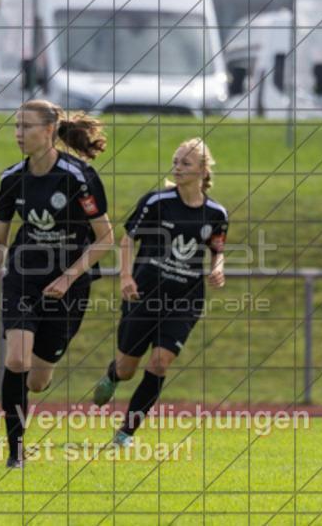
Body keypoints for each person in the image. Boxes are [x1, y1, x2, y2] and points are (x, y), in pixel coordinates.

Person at [0, 99, 114, 469]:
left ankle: (22, 427)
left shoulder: (78, 177)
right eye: (16, 126)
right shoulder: (11, 179)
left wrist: (68, 277)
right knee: (17, 359)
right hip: (22, 278)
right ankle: (15, 452)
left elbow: (106, 238)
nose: (19, 134)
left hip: (69, 287)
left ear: (50, 130)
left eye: (27, 126)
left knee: (37, 381)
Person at [92, 137, 228, 447]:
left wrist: (218, 267)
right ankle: (113, 377)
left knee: (160, 363)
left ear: (203, 171)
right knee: (128, 368)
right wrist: (126, 277)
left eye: (186, 163)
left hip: (185, 300)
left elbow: (217, 248)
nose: (177, 168)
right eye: (176, 161)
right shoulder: (156, 202)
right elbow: (128, 239)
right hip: (144, 294)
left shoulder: (217, 213)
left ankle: (125, 434)